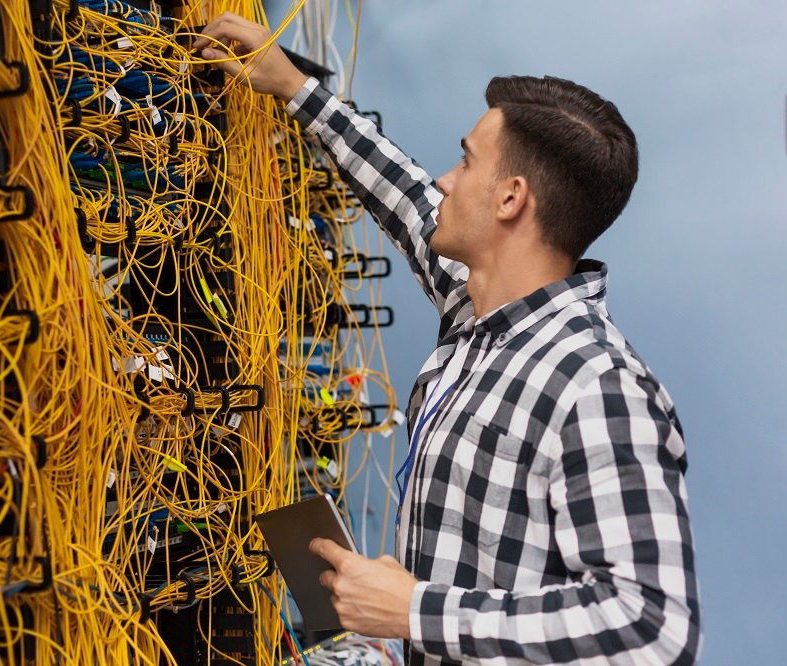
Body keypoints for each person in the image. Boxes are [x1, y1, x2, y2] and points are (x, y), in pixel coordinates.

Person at [195, 13, 701, 665]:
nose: (444, 179)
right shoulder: (479, 314)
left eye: (465, 162)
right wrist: (295, 89)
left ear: (510, 199)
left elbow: (652, 627)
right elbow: (407, 198)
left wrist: (413, 610)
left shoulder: (595, 385)